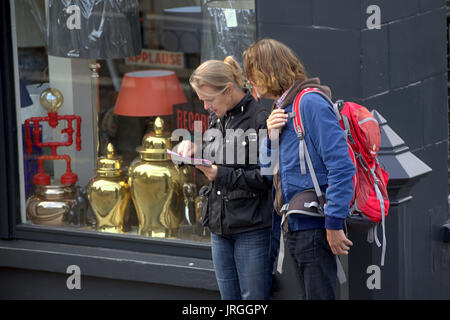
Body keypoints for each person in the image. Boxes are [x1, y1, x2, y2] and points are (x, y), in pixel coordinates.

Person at [243, 39, 355, 300]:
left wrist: (334, 223)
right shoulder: (282, 107)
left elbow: (341, 166)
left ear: (267, 72)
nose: (252, 85)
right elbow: (267, 170)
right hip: (293, 222)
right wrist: (270, 137)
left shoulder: (309, 103)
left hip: (314, 223)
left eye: (252, 78)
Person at [176, 56, 273, 300]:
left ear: (229, 90)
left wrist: (220, 173)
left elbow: (267, 177)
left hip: (251, 227)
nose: (206, 107)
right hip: (219, 224)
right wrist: (193, 147)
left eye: (209, 100)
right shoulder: (218, 116)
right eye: (203, 101)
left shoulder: (259, 118)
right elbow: (217, 156)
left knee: (253, 300)